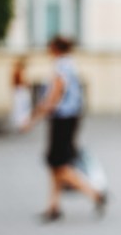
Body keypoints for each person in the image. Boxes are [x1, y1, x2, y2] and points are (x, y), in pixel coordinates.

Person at [23, 36, 107, 222]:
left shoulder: (61, 66)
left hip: (62, 119)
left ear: (54, 48)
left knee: (59, 164)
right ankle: (53, 206)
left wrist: (33, 118)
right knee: (55, 164)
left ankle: (96, 194)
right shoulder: (70, 64)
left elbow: (54, 96)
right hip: (70, 118)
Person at [9, 57, 32, 132]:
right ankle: (23, 125)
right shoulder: (19, 72)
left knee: (20, 109)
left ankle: (22, 125)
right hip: (21, 91)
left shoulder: (16, 72)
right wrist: (27, 84)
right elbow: (23, 82)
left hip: (18, 92)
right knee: (23, 109)